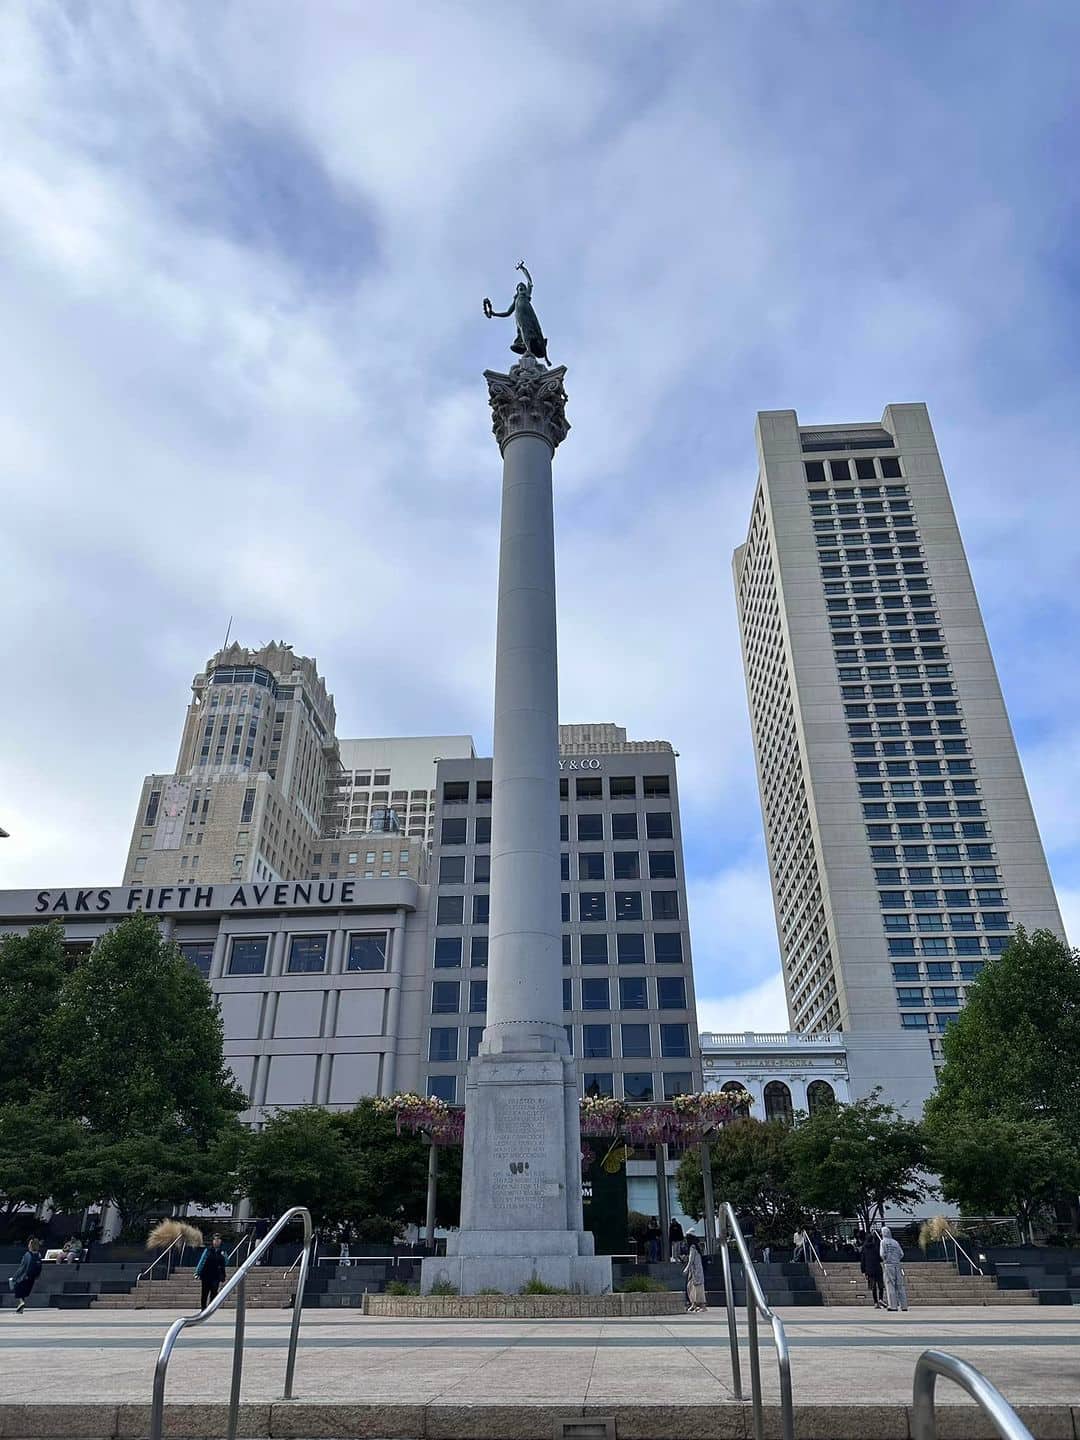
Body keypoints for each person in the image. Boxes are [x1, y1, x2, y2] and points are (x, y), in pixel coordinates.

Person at [194, 1233, 228, 1311]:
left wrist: (224, 1256)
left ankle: (210, 1307)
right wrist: (197, 1272)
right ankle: (203, 1308)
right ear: (212, 1241)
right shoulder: (208, 1250)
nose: (217, 1241)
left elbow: (226, 1262)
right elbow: (202, 1261)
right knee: (205, 1292)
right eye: (215, 1240)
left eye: (218, 1240)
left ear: (221, 1241)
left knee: (214, 1291)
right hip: (206, 1274)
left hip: (216, 1275)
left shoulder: (222, 1251)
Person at [10, 1238, 43, 1314]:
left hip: (25, 1276)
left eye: (29, 1243)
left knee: (17, 1287)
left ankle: (21, 1302)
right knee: (23, 1291)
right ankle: (20, 1309)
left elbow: (22, 1268)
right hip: (32, 1277)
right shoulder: (39, 1254)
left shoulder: (27, 1254)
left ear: (31, 1245)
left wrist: (15, 1277)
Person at [879, 1226, 908, 1312]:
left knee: (890, 1285)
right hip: (897, 1264)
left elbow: (882, 1254)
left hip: (889, 1265)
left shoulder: (883, 1242)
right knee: (900, 1285)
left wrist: (886, 1259)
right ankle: (904, 1305)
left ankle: (893, 1305)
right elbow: (901, 1254)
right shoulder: (895, 1242)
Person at [860, 1230, 886, 1308]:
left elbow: (863, 1260)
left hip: (869, 1269)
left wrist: (863, 1271)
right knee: (880, 1285)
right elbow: (880, 1257)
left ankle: (875, 1302)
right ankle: (881, 1299)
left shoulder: (864, 1248)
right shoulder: (876, 1247)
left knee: (873, 1286)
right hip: (877, 1268)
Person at [684, 1235, 708, 1313]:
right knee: (691, 1287)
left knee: (698, 1289)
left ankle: (702, 1306)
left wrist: (686, 1269)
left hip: (696, 1272)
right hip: (694, 1272)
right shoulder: (695, 1248)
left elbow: (691, 1260)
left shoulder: (692, 1248)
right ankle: (694, 1304)